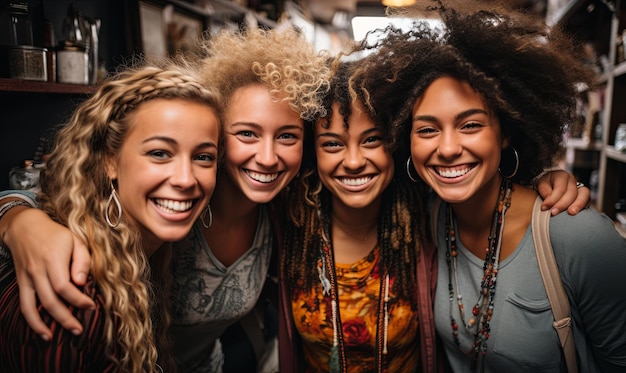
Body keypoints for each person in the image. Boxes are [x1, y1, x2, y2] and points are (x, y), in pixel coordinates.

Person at [0, 26, 331, 373]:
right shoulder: (169, 207)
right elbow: (54, 198)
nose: (267, 157)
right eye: (247, 133)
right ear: (219, 136)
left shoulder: (285, 207)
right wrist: (18, 220)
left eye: (287, 136)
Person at [355, 5, 626, 372]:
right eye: (427, 129)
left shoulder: (579, 237)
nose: (448, 148)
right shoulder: (431, 216)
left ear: (506, 132)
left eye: (470, 125)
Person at [0, 62, 221, 372]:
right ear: (110, 162)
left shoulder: (138, 253)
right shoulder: (71, 288)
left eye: (203, 157)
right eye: (159, 153)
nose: (185, 179)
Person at [278, 60, 444, 372]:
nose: (353, 161)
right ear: (314, 154)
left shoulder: (429, 217)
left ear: (395, 144)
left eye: (371, 140)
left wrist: (548, 181)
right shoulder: (291, 223)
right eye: (332, 144)